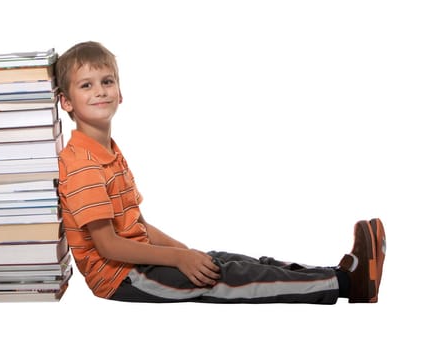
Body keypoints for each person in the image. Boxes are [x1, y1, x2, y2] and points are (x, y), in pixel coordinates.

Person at [55, 41, 386, 304]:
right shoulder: (82, 163)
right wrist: (177, 258)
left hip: (139, 261)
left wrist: (184, 253)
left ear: (121, 93)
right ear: (67, 102)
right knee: (227, 279)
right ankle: (346, 285)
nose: (100, 90)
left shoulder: (109, 151)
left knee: (229, 260)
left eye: (107, 81)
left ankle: (341, 273)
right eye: (86, 85)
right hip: (122, 277)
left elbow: (136, 224)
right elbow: (109, 247)